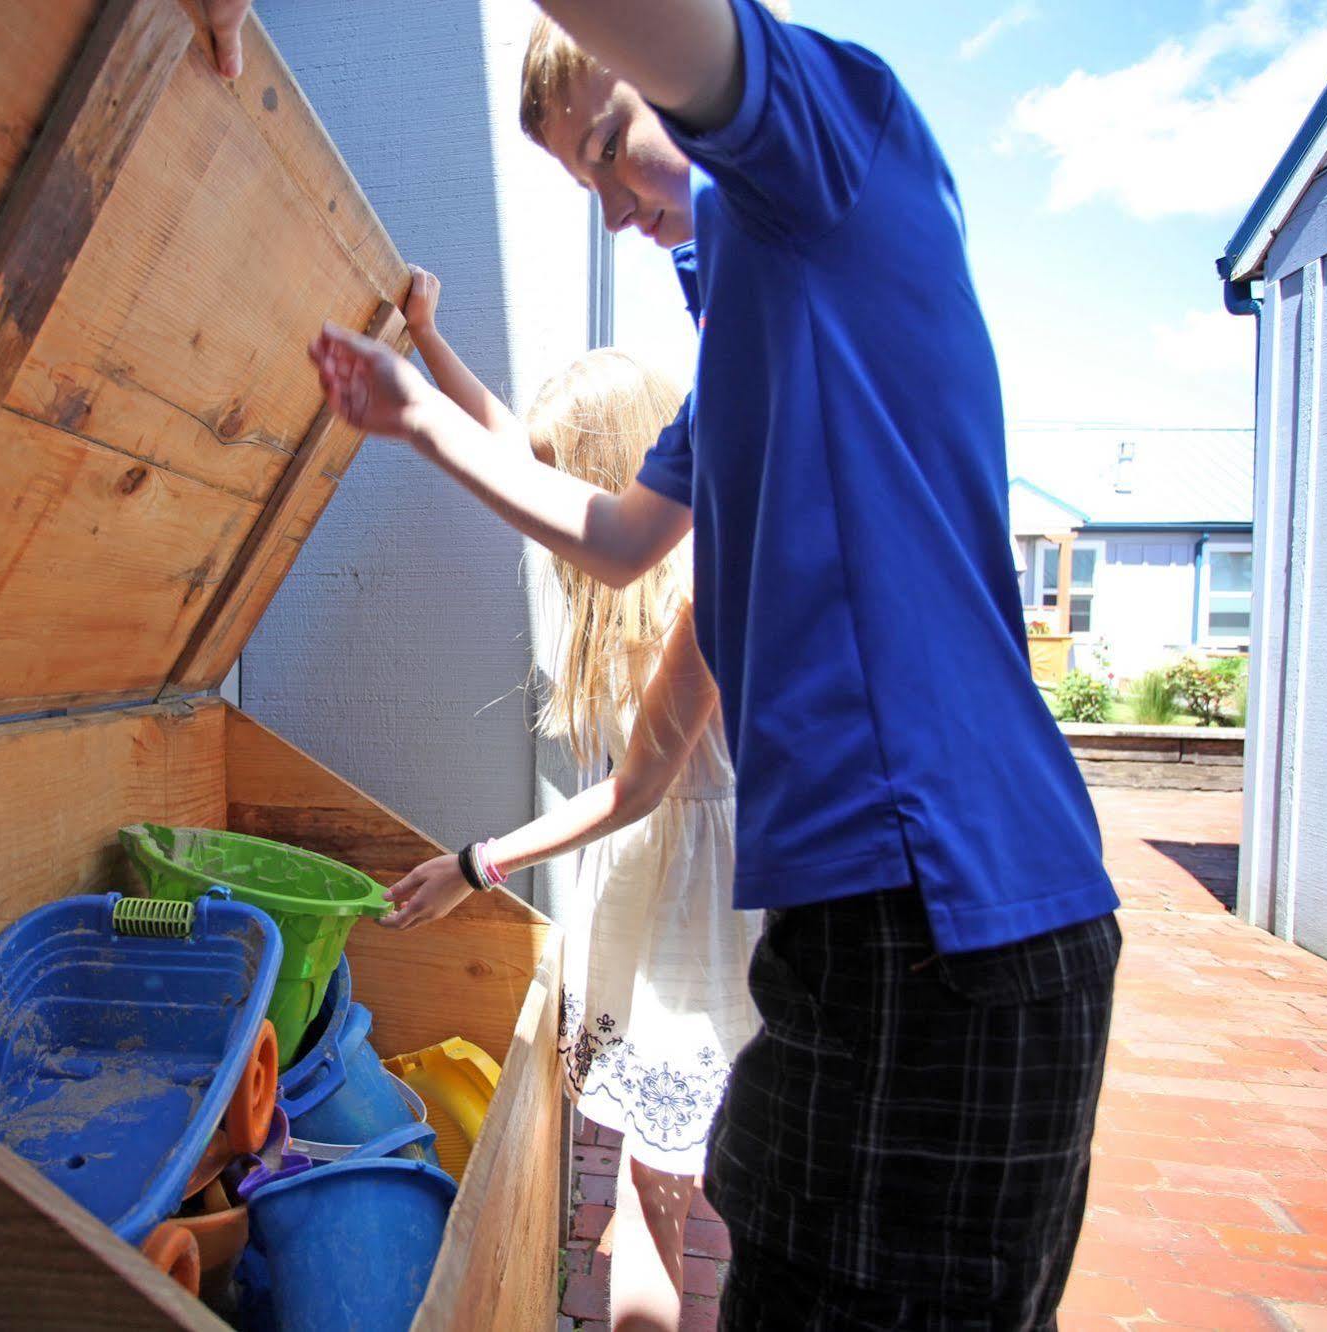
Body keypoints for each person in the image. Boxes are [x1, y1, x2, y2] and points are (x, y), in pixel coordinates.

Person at [205, 2, 1123, 1327]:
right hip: (849, 935)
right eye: (578, 178)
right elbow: (618, 533)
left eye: (610, 141)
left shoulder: (827, 153)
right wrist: (411, 417)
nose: (608, 204)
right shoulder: (743, 350)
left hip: (942, 916)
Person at [386, 267, 760, 1330]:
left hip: (693, 906)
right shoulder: (654, 566)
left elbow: (637, 795)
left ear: (607, 470)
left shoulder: (696, 591)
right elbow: (510, 446)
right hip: (665, 896)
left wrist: (476, 865)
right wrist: (427, 342)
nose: (544, 499)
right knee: (655, 1188)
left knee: (666, 1189)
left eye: (563, 475)